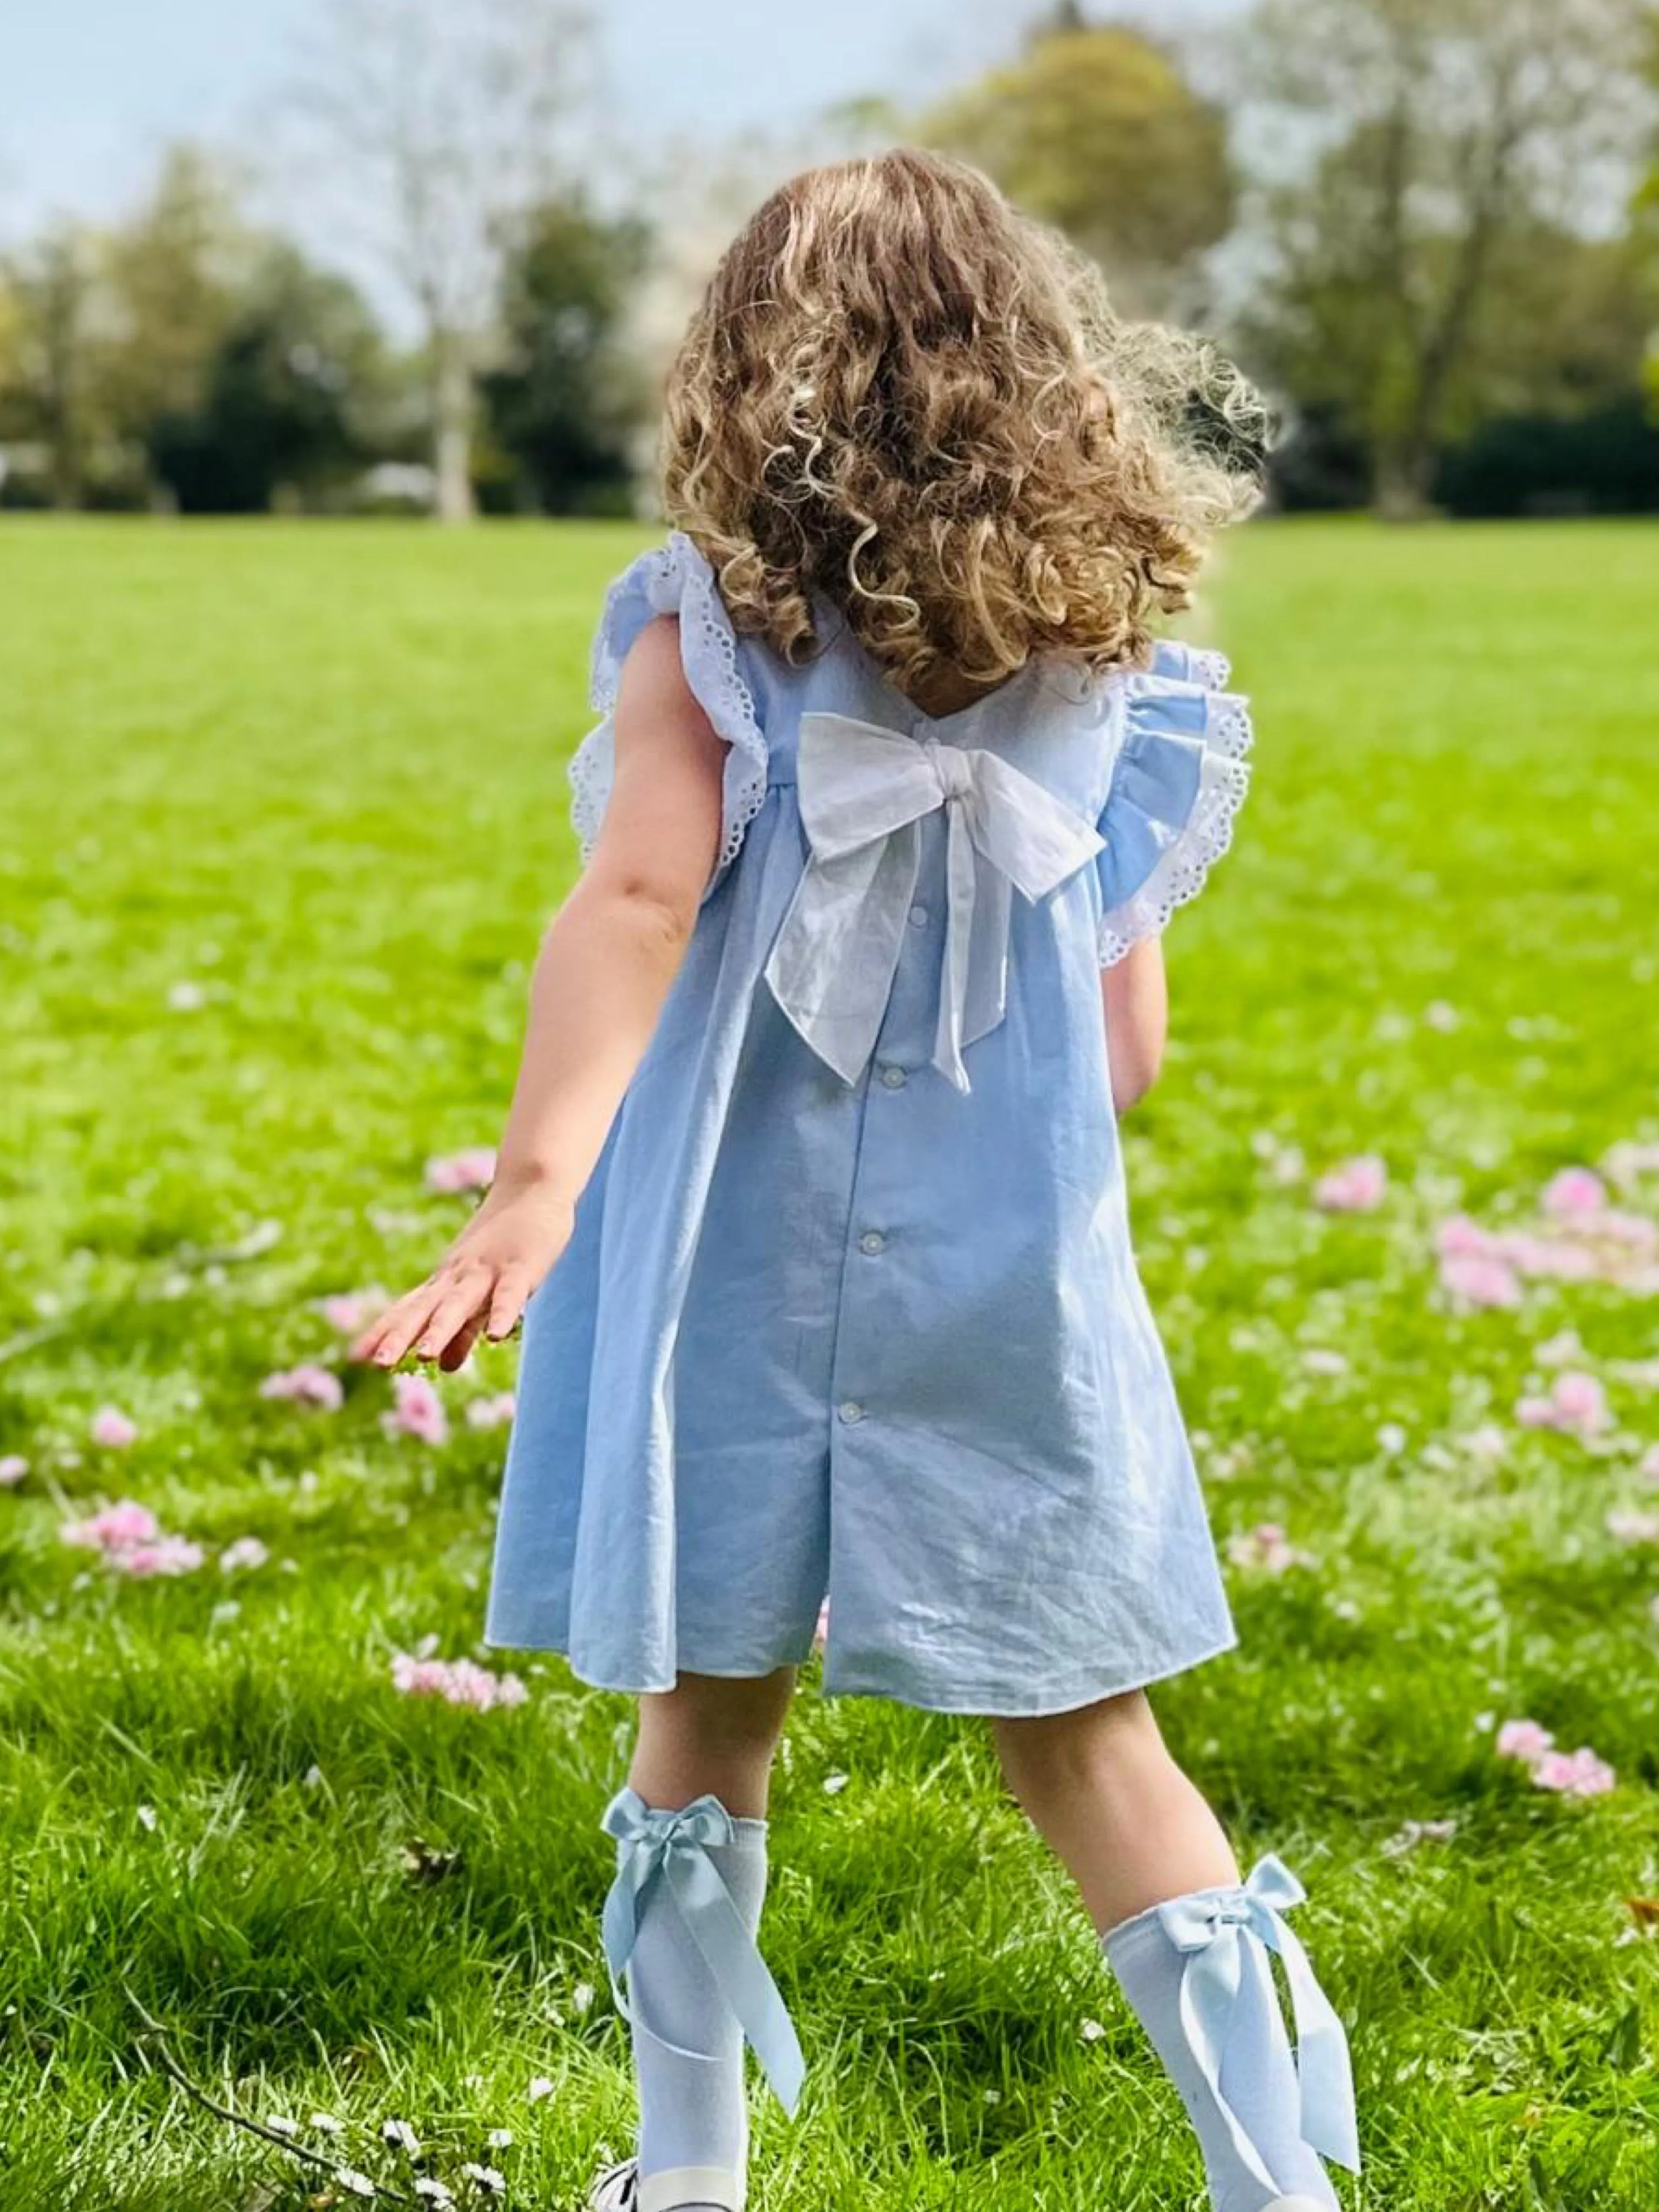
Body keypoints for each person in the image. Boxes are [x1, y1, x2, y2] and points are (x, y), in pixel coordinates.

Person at [356, 149, 1359, 2212]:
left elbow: (635, 901)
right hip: (1006, 1258)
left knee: (707, 1708)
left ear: (747, 372)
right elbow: (1127, 1041)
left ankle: (690, 2175)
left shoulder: (705, 631)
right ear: (1040, 367)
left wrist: (536, 1186)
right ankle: (1278, 2184)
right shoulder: (1119, 669)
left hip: (735, 1224)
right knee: (1091, 1737)